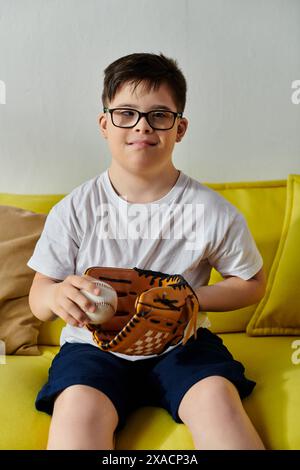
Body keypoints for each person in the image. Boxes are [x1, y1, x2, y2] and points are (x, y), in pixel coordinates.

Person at [28, 52, 266, 450]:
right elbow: (38, 299)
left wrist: (190, 297)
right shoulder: (75, 208)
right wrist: (55, 294)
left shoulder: (210, 211)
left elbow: (252, 284)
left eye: (159, 115)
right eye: (126, 113)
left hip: (183, 345)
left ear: (180, 128)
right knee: (77, 410)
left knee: (216, 402)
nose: (142, 126)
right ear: (105, 124)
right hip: (92, 350)